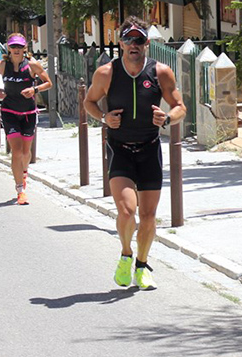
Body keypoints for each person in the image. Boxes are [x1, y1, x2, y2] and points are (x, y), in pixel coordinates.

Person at [84, 16, 186, 290]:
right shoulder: (106, 73)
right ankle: (126, 255)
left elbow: (180, 107)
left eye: (139, 40)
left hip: (149, 149)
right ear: (120, 43)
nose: (133, 44)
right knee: (127, 211)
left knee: (150, 216)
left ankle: (142, 264)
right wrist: (104, 118)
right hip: (119, 149)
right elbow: (89, 102)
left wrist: (166, 118)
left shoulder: (161, 72)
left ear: (147, 44)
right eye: (128, 39)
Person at [0, 33, 51, 205]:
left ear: (25, 48)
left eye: (19, 47)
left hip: (29, 113)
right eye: (13, 47)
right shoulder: (1, 65)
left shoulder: (32, 65)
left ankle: (24, 174)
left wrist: (35, 90)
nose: (16, 50)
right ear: (8, 48)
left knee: (26, 152)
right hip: (9, 111)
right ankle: (20, 189)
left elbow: (48, 82)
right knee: (16, 151)